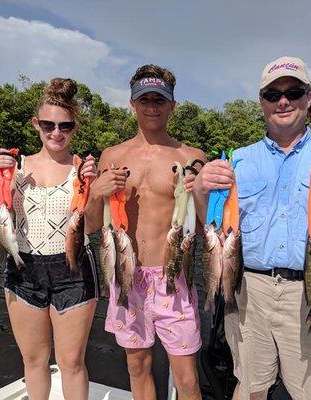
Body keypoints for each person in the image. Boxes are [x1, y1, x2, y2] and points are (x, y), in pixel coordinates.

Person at [192, 56, 311, 400]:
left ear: (309, 98)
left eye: (293, 92)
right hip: (248, 288)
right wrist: (201, 192)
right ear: (261, 101)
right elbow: (213, 228)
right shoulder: (238, 159)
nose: (283, 101)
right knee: (250, 387)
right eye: (272, 93)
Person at [84, 64, 206, 400]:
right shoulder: (113, 155)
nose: (152, 107)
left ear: (172, 106)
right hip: (127, 277)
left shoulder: (193, 157)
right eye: (145, 100)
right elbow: (93, 225)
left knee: (188, 378)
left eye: (159, 100)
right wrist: (96, 191)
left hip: (174, 279)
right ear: (132, 104)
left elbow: (209, 225)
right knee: (137, 367)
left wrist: (200, 193)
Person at [0, 78, 98, 400]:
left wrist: (96, 186)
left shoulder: (84, 170)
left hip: (73, 269)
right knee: (33, 360)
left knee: (72, 362)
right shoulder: (16, 166)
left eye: (65, 125)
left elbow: (93, 225)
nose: (56, 132)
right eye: (48, 124)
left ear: (75, 128)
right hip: (23, 267)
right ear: (36, 124)